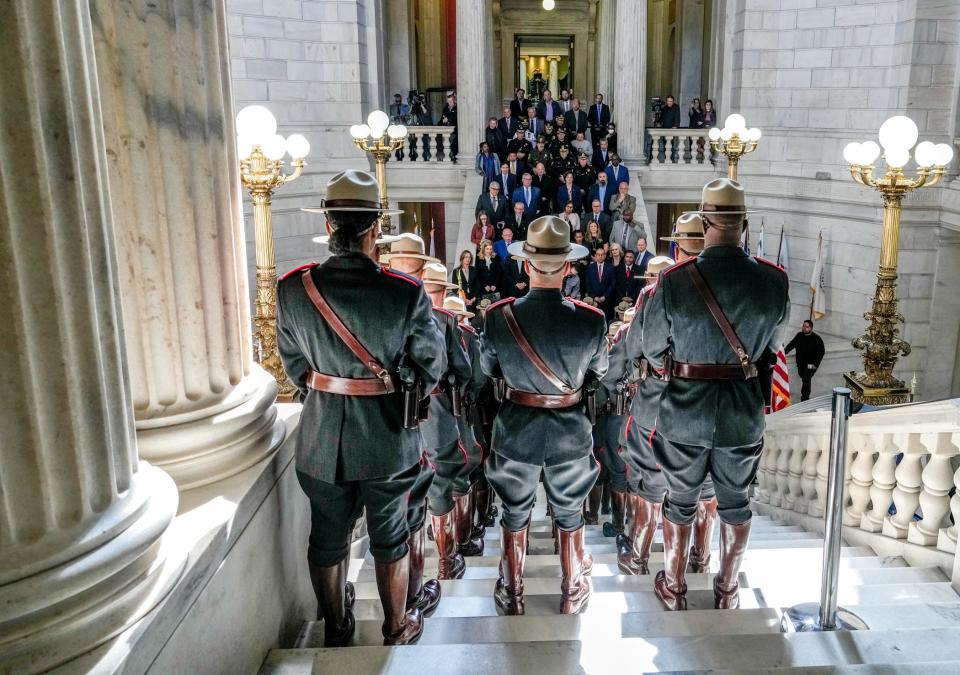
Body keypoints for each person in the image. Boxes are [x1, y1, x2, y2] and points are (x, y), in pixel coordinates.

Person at [279, 170, 444, 646]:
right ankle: (395, 628)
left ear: (330, 225)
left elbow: (296, 371)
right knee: (390, 534)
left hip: (321, 436)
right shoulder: (405, 292)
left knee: (327, 537)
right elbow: (429, 369)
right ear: (376, 228)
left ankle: (336, 626)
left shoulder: (293, 289)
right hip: (388, 439)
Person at [633, 178, 790, 611]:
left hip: (685, 410)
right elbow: (774, 347)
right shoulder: (774, 282)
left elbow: (651, 350)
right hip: (742, 411)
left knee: (680, 499)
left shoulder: (674, 281)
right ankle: (727, 586)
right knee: (736, 502)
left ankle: (676, 585)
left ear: (705, 221)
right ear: (745, 221)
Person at [480, 215, 608, 615]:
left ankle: (513, 590)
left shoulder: (499, 316)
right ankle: (572, 590)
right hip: (570, 430)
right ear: (568, 266)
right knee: (570, 513)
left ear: (524, 263)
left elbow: (489, 369)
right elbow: (598, 372)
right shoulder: (592, 319)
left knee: (514, 511)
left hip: (517, 427)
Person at [615, 255, 675, 576]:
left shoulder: (651, 298)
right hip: (705, 402)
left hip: (657, 399)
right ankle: (697, 560)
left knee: (649, 481)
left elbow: (637, 348)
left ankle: (638, 557)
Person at [418, 263, 474, 579]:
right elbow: (465, 372)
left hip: (395, 416)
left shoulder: (399, 315)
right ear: (441, 291)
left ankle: (413, 582)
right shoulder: (445, 321)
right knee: (442, 479)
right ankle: (446, 558)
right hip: (438, 410)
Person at [785, 320, 825, 401]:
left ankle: (805, 398)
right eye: (803, 326)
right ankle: (805, 397)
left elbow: (821, 352)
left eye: (806, 327)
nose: (804, 328)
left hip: (811, 365)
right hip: (801, 364)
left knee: (807, 377)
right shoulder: (799, 335)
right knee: (804, 377)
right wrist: (783, 353)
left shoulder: (817, 338)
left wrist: (815, 364)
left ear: (811, 328)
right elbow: (791, 345)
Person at [585, 245, 615, 320]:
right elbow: (588, 284)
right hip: (594, 301)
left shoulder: (610, 267)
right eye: (598, 254)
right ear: (595, 256)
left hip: (606, 301)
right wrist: (594, 296)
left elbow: (612, 283)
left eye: (602, 255)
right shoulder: (590, 268)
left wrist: (605, 296)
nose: (600, 256)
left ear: (605, 256)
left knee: (607, 320)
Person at [441, 91, 458, 158]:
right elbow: (442, 119)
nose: (449, 103)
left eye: (451, 101)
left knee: (453, 145)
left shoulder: (456, 108)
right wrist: (442, 121)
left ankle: (453, 157)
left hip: (455, 132)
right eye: (448, 101)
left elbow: (455, 117)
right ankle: (450, 158)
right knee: (445, 145)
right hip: (446, 131)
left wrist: (448, 119)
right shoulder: (445, 108)